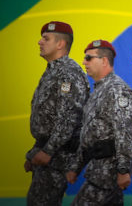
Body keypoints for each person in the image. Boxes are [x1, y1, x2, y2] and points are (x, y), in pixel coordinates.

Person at [25, 21, 90, 206]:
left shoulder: (68, 73)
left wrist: (47, 151)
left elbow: (68, 118)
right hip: (46, 153)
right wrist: (35, 152)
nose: (40, 42)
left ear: (60, 44)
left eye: (46, 38)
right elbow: (47, 120)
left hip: (57, 156)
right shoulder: (52, 72)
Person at [66, 40, 132, 206]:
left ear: (104, 61)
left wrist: (123, 170)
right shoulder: (98, 90)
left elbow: (125, 132)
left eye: (89, 58)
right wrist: (76, 167)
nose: (84, 62)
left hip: (107, 171)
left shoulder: (117, 89)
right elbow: (88, 134)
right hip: (97, 168)